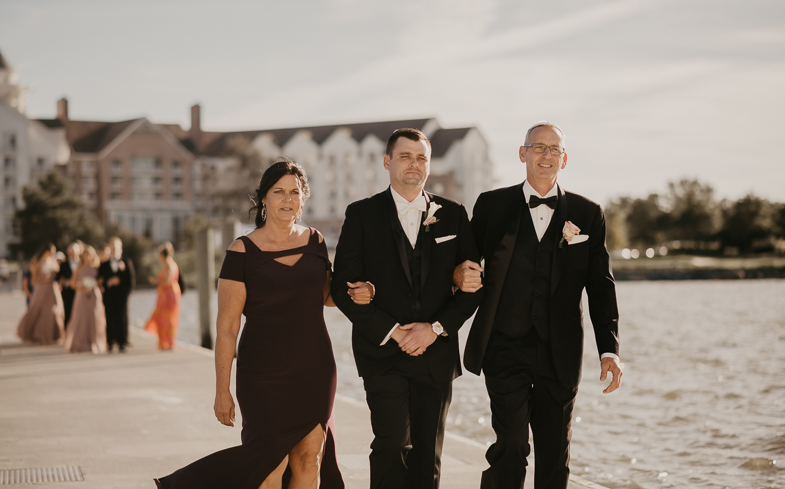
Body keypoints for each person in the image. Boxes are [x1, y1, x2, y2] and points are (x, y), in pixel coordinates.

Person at [155, 160, 371, 489]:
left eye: (294, 192)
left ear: (303, 199)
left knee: (309, 459)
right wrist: (221, 390)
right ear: (264, 199)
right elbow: (227, 326)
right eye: (279, 191)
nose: (287, 199)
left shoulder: (316, 242)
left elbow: (326, 296)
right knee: (267, 467)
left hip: (313, 367)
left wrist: (357, 291)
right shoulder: (241, 251)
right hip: (262, 374)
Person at [454, 122, 622, 489]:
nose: (546, 156)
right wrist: (452, 288)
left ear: (565, 158)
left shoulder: (588, 212)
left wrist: (609, 349)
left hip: (559, 350)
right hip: (503, 344)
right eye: (538, 147)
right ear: (522, 153)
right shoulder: (492, 205)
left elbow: (600, 285)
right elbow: (464, 263)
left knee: (554, 452)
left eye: (554, 149)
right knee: (511, 444)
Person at [331, 128, 483, 489]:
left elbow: (474, 287)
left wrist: (434, 329)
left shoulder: (454, 215)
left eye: (421, 157)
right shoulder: (362, 215)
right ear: (387, 162)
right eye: (405, 156)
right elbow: (342, 286)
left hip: (437, 353)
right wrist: (394, 331)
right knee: (391, 444)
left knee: (427, 454)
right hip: (383, 352)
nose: (414, 164)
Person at [16, 243, 66, 344]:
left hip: (52, 289)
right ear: (46, 251)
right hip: (42, 289)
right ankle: (36, 334)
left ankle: (51, 335)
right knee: (38, 311)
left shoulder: (53, 261)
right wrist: (46, 279)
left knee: (52, 312)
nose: (53, 253)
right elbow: (34, 281)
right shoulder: (38, 263)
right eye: (52, 251)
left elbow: (57, 273)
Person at [64, 246, 107, 354]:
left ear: (92, 255)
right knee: (80, 318)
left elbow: (101, 280)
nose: (87, 257)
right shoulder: (79, 267)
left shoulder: (97, 267)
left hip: (94, 295)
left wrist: (94, 285)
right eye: (85, 255)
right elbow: (73, 283)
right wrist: (82, 288)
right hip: (81, 295)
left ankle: (94, 342)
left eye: (89, 254)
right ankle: (79, 343)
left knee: (94, 318)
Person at [98, 237, 135, 353]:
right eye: (112, 247)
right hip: (109, 296)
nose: (114, 250)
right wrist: (109, 282)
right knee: (109, 318)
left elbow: (131, 280)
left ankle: (123, 342)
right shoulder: (104, 265)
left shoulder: (127, 261)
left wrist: (126, 294)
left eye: (116, 247)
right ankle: (109, 342)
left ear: (121, 249)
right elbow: (100, 280)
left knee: (122, 318)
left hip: (122, 296)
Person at [144, 242, 181, 350]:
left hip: (169, 296)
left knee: (168, 318)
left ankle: (169, 342)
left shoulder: (170, 266)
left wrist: (156, 282)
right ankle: (165, 342)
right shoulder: (168, 265)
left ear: (162, 255)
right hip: (165, 295)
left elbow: (169, 282)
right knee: (162, 317)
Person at [58, 242, 82, 328]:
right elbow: (58, 278)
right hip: (67, 293)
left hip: (80, 291)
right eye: (71, 252)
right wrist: (65, 282)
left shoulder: (82, 263)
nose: (73, 254)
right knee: (67, 312)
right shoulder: (64, 264)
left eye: (74, 252)